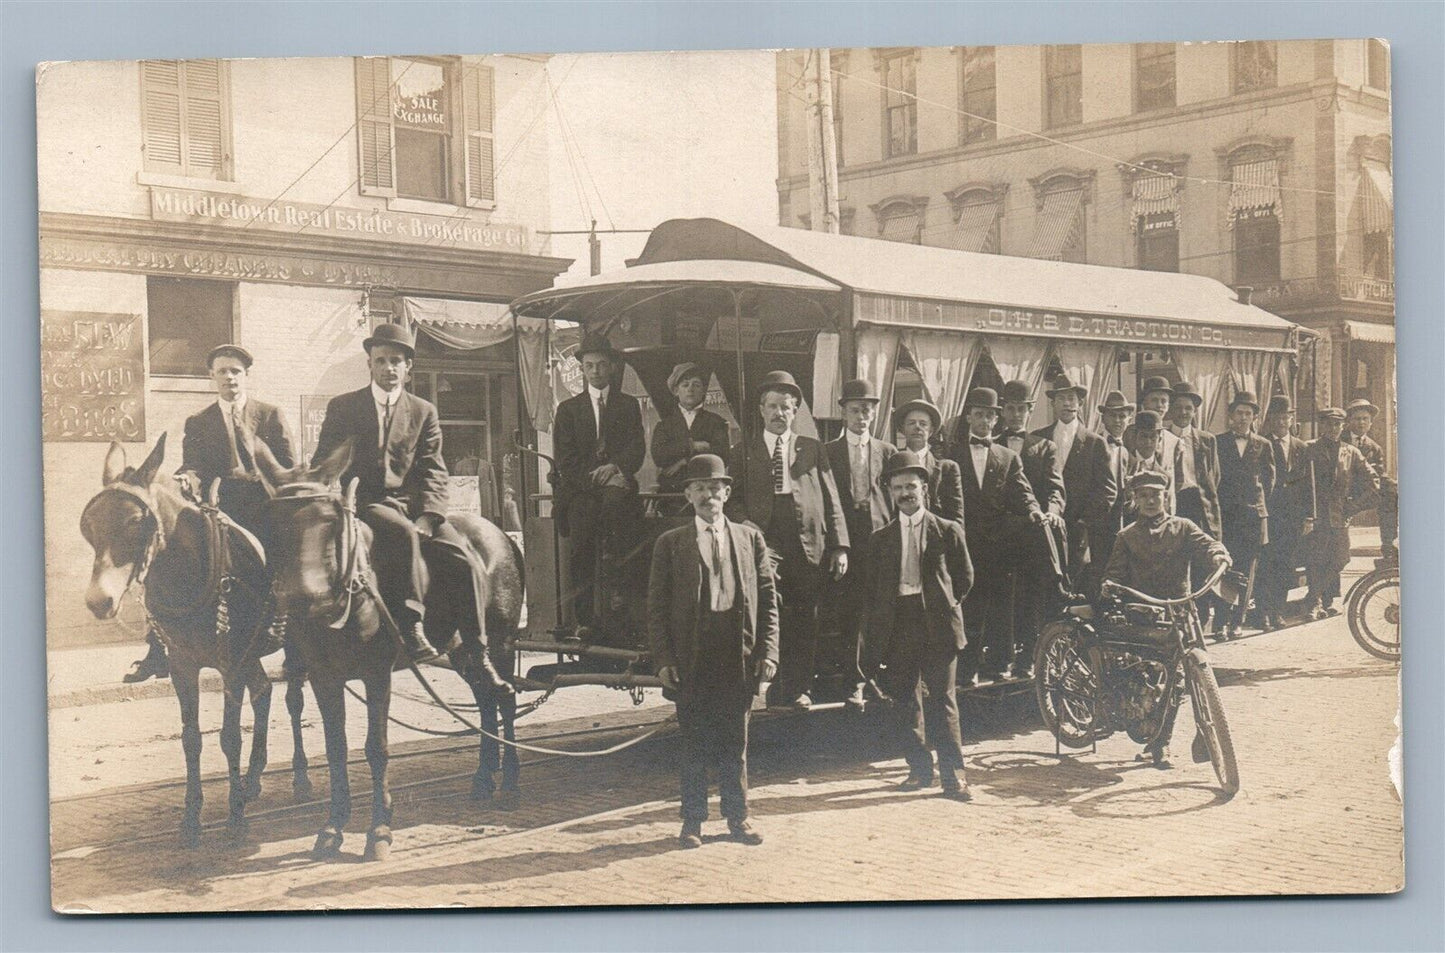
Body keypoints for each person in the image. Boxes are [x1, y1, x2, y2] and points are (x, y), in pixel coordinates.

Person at [126, 343, 296, 684]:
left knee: (289, 558)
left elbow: (288, 466)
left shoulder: (270, 414)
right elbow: (194, 465)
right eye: (222, 371)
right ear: (211, 377)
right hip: (222, 508)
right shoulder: (200, 422)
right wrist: (186, 477)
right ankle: (158, 650)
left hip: (264, 507)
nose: (229, 377)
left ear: (246, 376)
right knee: (170, 557)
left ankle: (294, 642)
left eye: (235, 371)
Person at [309, 323, 469, 665]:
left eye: (396, 361)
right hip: (366, 503)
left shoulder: (423, 411)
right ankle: (411, 625)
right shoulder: (344, 407)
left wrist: (429, 515)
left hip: (414, 505)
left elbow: (434, 468)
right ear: (369, 364)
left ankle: (475, 640)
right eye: (380, 361)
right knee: (401, 534)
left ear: (408, 367)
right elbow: (324, 460)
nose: (388, 368)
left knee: (462, 556)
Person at [648, 455, 779, 849]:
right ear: (688, 495)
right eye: (700, 488)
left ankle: (738, 819)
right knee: (693, 743)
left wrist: (768, 651)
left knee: (735, 743)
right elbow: (656, 608)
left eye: (715, 487)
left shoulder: (749, 538)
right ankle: (692, 823)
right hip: (693, 655)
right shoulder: (671, 544)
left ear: (727, 492)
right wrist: (664, 660)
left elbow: (769, 600)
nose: (709, 495)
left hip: (736, 653)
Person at [727, 370, 848, 710]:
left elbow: (831, 497)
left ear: (795, 411)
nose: (779, 414)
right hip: (765, 536)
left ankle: (798, 689)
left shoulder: (811, 448)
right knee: (769, 606)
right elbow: (730, 499)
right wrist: (745, 523)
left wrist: (839, 546)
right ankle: (767, 681)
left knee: (806, 613)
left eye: (786, 407)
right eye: (773, 407)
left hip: (808, 540)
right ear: (762, 411)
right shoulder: (744, 451)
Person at [862, 451, 974, 801]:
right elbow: (873, 588)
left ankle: (954, 777)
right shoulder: (880, 539)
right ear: (890, 493)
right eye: (898, 487)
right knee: (905, 701)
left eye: (911, 485)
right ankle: (919, 770)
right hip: (899, 624)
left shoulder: (947, 530)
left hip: (937, 624)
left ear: (924, 488)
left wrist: (944, 605)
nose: (905, 493)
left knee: (943, 700)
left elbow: (965, 577)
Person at [1102, 470, 1230, 766]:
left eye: (1155, 495)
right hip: (1145, 618)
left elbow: (1206, 544)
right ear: (1135, 500)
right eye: (1143, 496)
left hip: (1183, 615)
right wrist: (1110, 587)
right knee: (1151, 680)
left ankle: (1166, 743)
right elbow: (1114, 573)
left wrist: (1218, 554)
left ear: (1166, 498)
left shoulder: (1183, 527)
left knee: (1187, 679)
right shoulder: (1127, 536)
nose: (1150, 501)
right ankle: (1152, 736)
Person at [952, 387, 1047, 683]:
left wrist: (1034, 511)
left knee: (1000, 606)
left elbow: (1023, 493)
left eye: (989, 416)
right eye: (978, 414)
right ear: (969, 417)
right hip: (962, 542)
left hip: (997, 545)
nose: (983, 421)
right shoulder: (952, 454)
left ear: (997, 420)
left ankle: (998, 664)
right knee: (967, 606)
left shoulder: (1007, 457)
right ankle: (966, 669)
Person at [552, 335, 646, 635]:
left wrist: (615, 468)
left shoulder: (628, 406)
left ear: (613, 367)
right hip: (581, 493)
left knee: (625, 544)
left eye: (602, 365)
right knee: (581, 550)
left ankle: (622, 608)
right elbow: (566, 459)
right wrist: (595, 478)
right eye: (589, 366)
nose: (595, 371)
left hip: (618, 491)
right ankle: (583, 620)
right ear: (581, 369)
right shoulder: (568, 410)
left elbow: (636, 447)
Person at [824, 379, 896, 709]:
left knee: (882, 607)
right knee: (851, 609)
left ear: (874, 413)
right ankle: (854, 681)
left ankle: (878, 675)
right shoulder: (828, 452)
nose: (861, 417)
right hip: (846, 537)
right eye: (855, 410)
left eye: (867, 410)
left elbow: (895, 498)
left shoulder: (887, 451)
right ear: (844, 413)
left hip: (880, 536)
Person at [995, 380, 1068, 676]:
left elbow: (1055, 488)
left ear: (1030, 410)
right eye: (1010, 409)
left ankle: (1029, 656)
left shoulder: (1044, 446)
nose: (1015, 415)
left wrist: (1051, 512)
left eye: (1021, 409)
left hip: (1034, 534)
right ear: (1002, 411)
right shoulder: (993, 444)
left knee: (1031, 597)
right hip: (1001, 532)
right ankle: (1002, 658)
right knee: (1003, 596)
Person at [1032, 374, 1116, 589]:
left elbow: (1107, 491)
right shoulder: (1038, 438)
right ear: (1053, 404)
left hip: (1079, 531)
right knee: (1045, 581)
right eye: (1061, 399)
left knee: (1076, 582)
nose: (1067, 404)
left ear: (1080, 404)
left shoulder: (1095, 443)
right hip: (1045, 527)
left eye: (1072, 398)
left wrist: (1084, 522)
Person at [1304, 408, 1380, 620]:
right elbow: (1299, 484)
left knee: (1341, 558)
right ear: (1322, 426)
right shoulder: (1309, 448)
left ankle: (1313, 597)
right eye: (1329, 424)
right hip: (1316, 515)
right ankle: (1318, 603)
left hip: (1339, 515)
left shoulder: (1351, 452)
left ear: (1343, 426)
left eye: (1338, 424)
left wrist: (1354, 506)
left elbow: (1373, 482)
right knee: (1316, 559)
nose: (1334, 428)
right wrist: (1305, 514)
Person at [1214, 392, 1276, 638]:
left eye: (1248, 414)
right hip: (1226, 517)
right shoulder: (1217, 443)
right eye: (1239, 413)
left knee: (1248, 570)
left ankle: (1237, 622)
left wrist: (1256, 504)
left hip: (1253, 517)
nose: (1243, 418)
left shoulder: (1263, 444)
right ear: (1231, 416)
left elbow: (1269, 481)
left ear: (1254, 418)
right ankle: (1220, 622)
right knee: (1222, 568)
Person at [1257, 396, 1316, 629]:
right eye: (1277, 418)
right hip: (1269, 515)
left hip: (1292, 518)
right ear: (1270, 420)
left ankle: (1278, 612)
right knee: (1265, 565)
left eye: (1285, 417)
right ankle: (1263, 612)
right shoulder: (1262, 444)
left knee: (1285, 566)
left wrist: (1309, 516)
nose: (1281, 422)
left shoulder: (1301, 447)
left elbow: (1308, 484)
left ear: (1291, 420)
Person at [650, 362, 731, 511]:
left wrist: (683, 461)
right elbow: (659, 456)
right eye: (685, 385)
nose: (690, 390)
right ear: (676, 391)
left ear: (703, 391)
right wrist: (693, 446)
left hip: (707, 492)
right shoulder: (664, 425)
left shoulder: (716, 422)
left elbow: (722, 455)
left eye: (696, 385)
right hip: (672, 493)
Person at [1088, 390, 1135, 596]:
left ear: (1128, 419)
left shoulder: (1126, 453)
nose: (1118, 420)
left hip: (1116, 524)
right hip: (1094, 523)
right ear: (1104, 417)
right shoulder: (1092, 444)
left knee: (1113, 573)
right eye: (1113, 415)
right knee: (1092, 572)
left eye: (1122, 416)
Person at [1342, 398, 1398, 566]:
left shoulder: (1374, 448)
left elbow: (1380, 476)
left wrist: (1394, 487)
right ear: (1349, 421)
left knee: (1391, 496)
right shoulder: (1339, 439)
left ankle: (1389, 547)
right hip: (1340, 490)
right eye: (1357, 419)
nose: (1361, 423)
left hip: (1360, 494)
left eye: (1365, 419)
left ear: (1371, 423)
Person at [892, 398, 964, 522]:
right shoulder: (892, 463)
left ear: (931, 431)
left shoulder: (947, 468)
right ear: (902, 429)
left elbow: (956, 516)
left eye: (923, 424)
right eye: (911, 423)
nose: (917, 427)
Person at [1168, 381, 1223, 539]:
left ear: (1194, 412)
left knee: (1201, 552)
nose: (1183, 412)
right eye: (1178, 407)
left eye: (1188, 408)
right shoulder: (1162, 437)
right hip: (1172, 502)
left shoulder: (1207, 440)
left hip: (1198, 502)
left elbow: (1215, 476)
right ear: (1171, 410)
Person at [1124, 410, 1179, 521]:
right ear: (1135, 437)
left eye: (1153, 437)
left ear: (1160, 440)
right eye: (1144, 436)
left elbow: (1167, 511)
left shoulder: (1165, 476)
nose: (1148, 442)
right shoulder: (1123, 465)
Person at [1122, 376, 1181, 462]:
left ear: (1168, 406)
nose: (1159, 405)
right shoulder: (1127, 435)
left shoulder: (1174, 441)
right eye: (1154, 400)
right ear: (1144, 403)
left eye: (1163, 401)